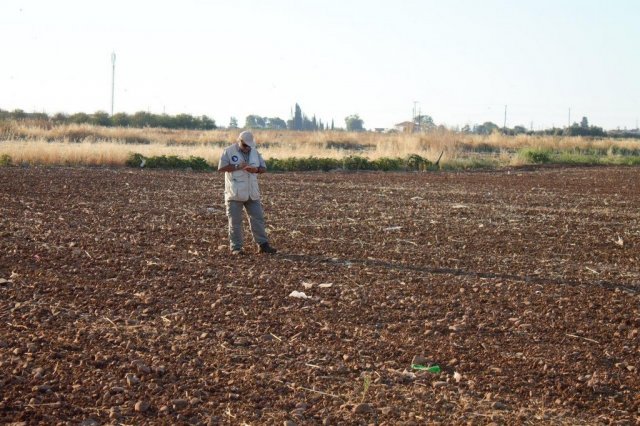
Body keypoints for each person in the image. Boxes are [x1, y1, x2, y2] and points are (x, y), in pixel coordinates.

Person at [217, 131, 277, 255]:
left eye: (249, 146)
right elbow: (221, 168)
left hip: (252, 192)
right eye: (245, 145)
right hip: (235, 193)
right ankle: (236, 248)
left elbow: (264, 168)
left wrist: (256, 170)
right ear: (239, 141)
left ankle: (263, 245)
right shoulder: (228, 151)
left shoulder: (255, 152)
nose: (247, 148)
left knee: (258, 219)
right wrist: (238, 166)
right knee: (235, 222)